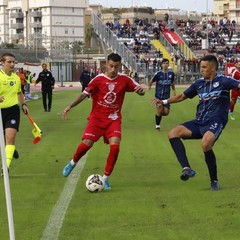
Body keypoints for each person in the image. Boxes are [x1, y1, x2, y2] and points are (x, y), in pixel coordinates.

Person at [151, 55, 240, 191]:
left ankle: (214, 181)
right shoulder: (199, 83)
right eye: (201, 67)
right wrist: (163, 102)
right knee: (173, 133)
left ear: (213, 68)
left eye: (204, 67)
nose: (201, 70)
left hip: (216, 120)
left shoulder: (224, 81)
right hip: (199, 122)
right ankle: (187, 169)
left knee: (205, 144)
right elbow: (182, 96)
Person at [62, 53, 145, 189]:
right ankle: (72, 163)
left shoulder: (125, 79)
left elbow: (139, 90)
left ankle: (105, 178)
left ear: (120, 66)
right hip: (97, 118)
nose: (113, 69)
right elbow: (84, 94)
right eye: (111, 66)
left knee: (115, 146)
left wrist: (141, 91)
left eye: (116, 67)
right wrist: (70, 106)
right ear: (106, 64)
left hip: (113, 119)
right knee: (87, 143)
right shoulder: (98, 79)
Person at [0, 52, 29, 174]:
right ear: (2, 63)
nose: (12, 64)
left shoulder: (16, 78)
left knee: (10, 137)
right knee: (4, 141)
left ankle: (5, 167)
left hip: (12, 111)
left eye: (13, 62)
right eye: (9, 62)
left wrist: (23, 104)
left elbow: (19, 93)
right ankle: (11, 149)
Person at [148, 58, 176, 131]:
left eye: (167, 63)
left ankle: (158, 115)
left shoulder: (171, 74)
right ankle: (157, 126)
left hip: (167, 97)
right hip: (158, 97)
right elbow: (151, 81)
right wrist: (149, 87)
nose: (165, 65)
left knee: (166, 112)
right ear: (162, 65)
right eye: (164, 63)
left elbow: (172, 83)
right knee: (160, 110)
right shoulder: (158, 74)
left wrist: (174, 91)